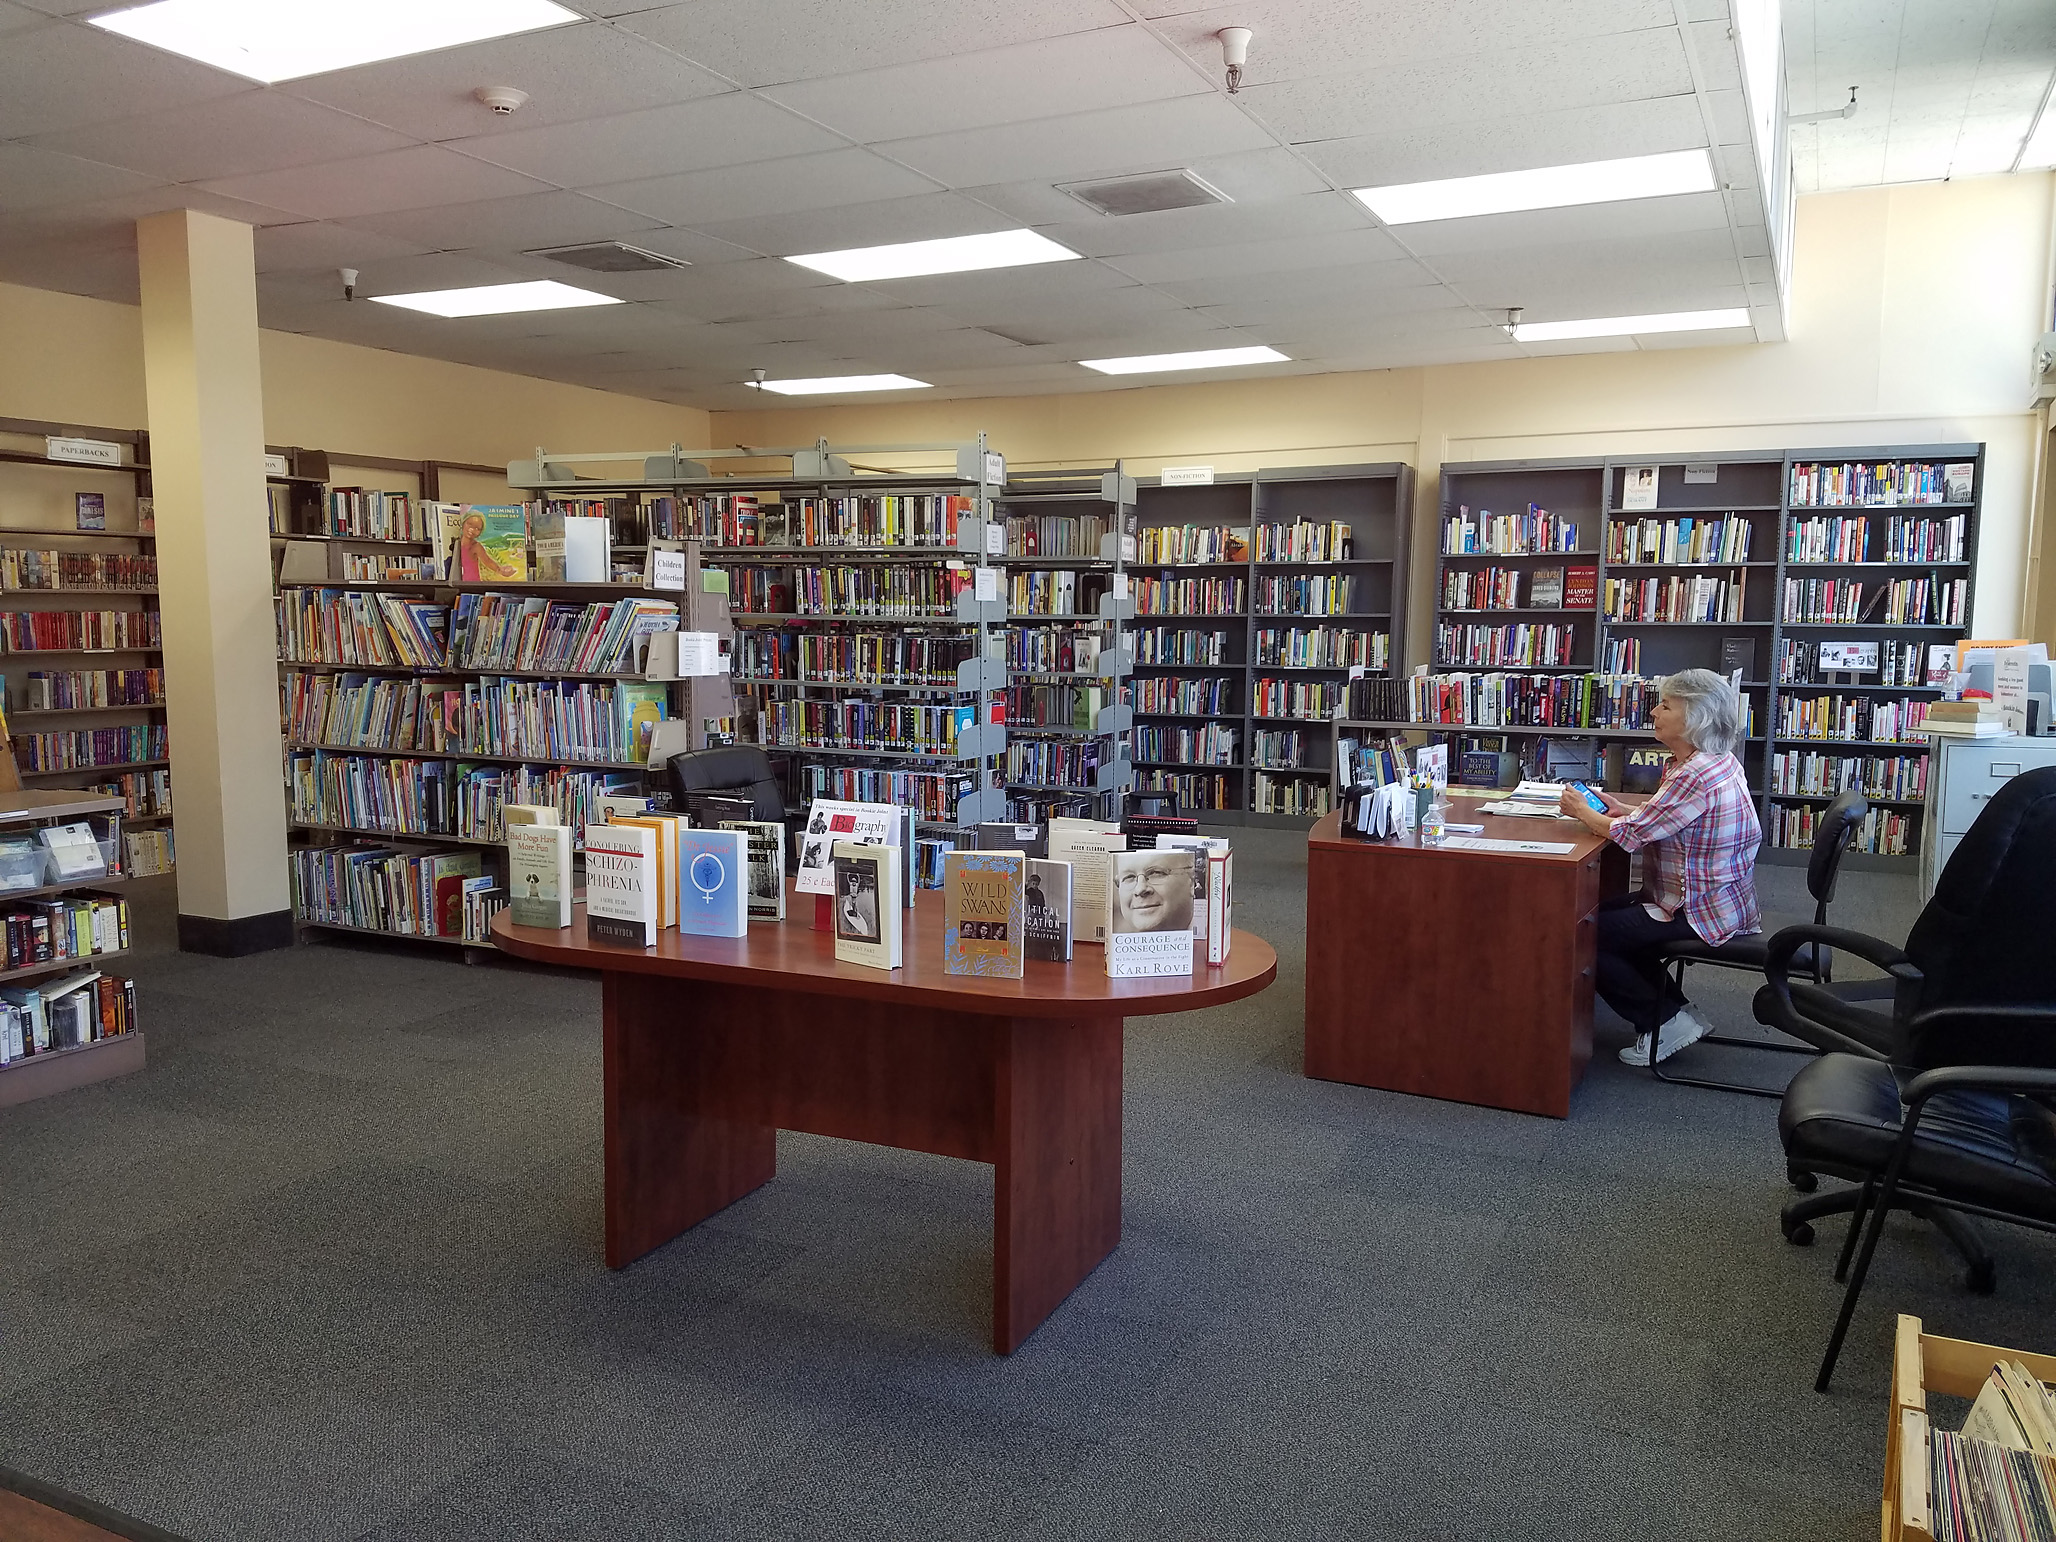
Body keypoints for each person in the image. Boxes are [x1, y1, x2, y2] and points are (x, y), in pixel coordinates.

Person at [1557, 669, 1761, 1066]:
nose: (1653, 711)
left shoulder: (1694, 774)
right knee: (1595, 917)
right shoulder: (1715, 761)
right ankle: (1677, 1012)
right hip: (1719, 900)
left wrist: (1583, 811)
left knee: (1580, 935)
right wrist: (1626, 811)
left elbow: (1631, 837)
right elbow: (1667, 819)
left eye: (1666, 706)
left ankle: (1664, 1020)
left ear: (1696, 718)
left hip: (1696, 909)